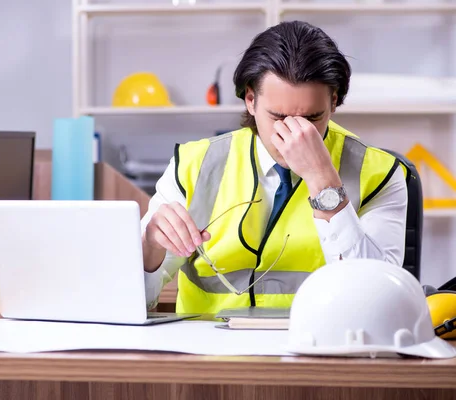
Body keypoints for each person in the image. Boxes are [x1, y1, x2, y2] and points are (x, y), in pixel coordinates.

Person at [140, 20, 410, 315]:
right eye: (278, 117)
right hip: (210, 353)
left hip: (323, 349)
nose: (294, 133)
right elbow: (131, 300)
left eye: (313, 118)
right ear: (251, 100)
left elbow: (380, 303)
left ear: (333, 102)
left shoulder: (380, 174)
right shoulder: (193, 165)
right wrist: (150, 247)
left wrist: (323, 180)